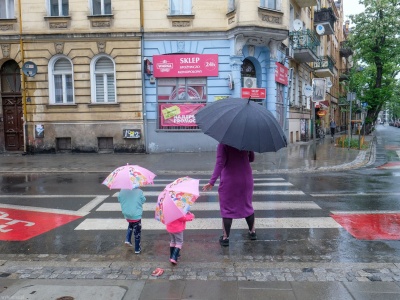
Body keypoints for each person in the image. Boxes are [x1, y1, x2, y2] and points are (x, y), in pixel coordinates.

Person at [202, 143, 256, 247]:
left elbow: (220, 163)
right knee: (247, 205)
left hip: (230, 180)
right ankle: (252, 232)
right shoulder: (246, 141)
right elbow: (251, 159)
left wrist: (212, 182)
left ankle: (225, 237)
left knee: (227, 209)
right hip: (246, 179)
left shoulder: (224, 144)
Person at [118, 188, 146, 254]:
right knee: (137, 232)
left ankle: (127, 239)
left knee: (131, 224)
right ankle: (137, 249)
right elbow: (143, 200)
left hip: (127, 214)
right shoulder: (139, 191)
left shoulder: (122, 191)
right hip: (136, 215)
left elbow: (119, 199)